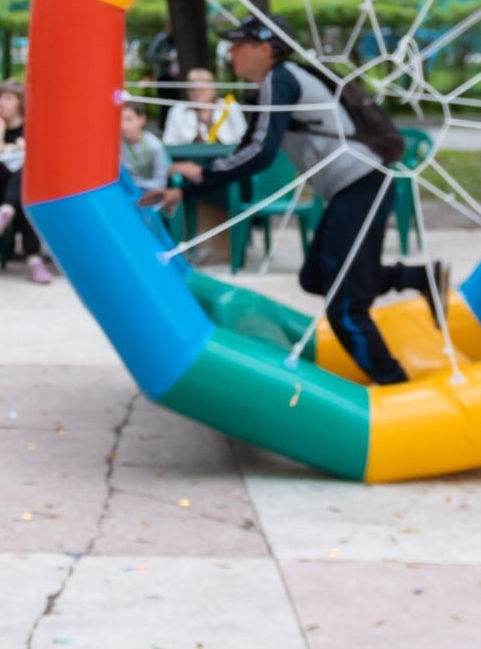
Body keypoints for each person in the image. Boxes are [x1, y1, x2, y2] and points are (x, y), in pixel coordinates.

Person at [173, 19, 436, 384]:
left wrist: (201, 174)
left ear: (265, 48)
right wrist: (185, 190)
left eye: (238, 44)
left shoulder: (280, 79)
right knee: (314, 277)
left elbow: (260, 154)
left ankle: (397, 387)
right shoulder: (273, 85)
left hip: (362, 187)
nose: (231, 52)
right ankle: (419, 277)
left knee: (346, 310)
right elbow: (248, 148)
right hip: (354, 190)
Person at [0, 79, 52, 283]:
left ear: (20, 103)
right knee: (26, 189)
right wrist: (0, 126)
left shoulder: (32, 130)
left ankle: (6, 212)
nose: (1, 103)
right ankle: (34, 260)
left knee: (28, 193)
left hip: (25, 189)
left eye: (8, 98)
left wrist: (26, 150)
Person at [162, 67, 242, 147]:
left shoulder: (230, 107)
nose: (197, 93)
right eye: (192, 89)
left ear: (213, 89)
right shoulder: (177, 111)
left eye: (201, 89)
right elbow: (168, 143)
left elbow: (242, 138)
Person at [119, 101, 170, 192]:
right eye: (120, 119)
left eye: (128, 119)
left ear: (142, 119)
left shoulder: (154, 145)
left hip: (150, 194)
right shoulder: (117, 145)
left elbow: (160, 182)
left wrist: (133, 184)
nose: (123, 125)